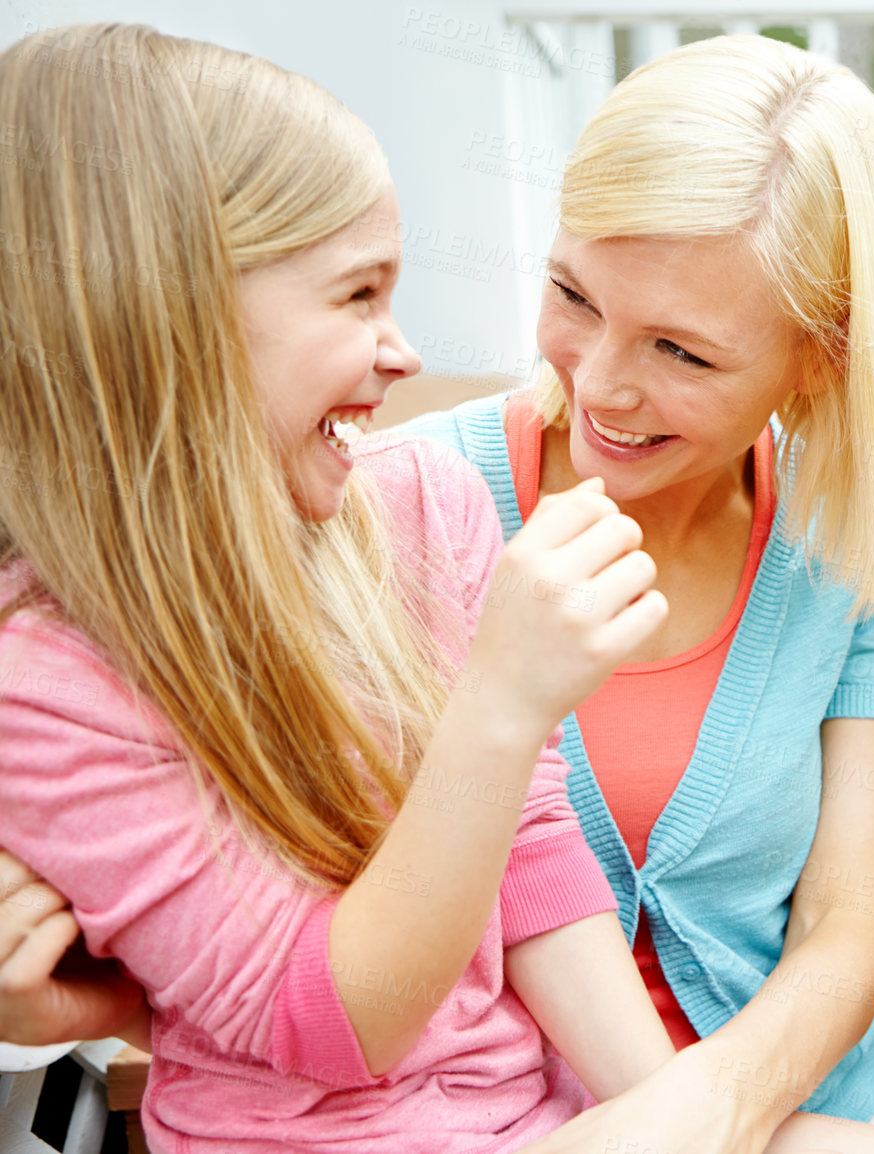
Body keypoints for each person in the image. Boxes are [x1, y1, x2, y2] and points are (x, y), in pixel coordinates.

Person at [0, 23, 874, 1154]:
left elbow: (829, 925)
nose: (600, 379)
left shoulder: (838, 547)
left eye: (682, 351)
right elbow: (281, 976)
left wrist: (700, 1117)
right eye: (573, 293)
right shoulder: (398, 499)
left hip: (717, 1107)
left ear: (817, 358)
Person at [0, 21, 673, 1151]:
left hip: (537, 1118)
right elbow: (330, 1020)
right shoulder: (46, 685)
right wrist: (500, 704)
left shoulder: (423, 504)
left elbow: (529, 852)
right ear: (176, 316)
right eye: (358, 295)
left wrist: (680, 1113)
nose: (402, 350)